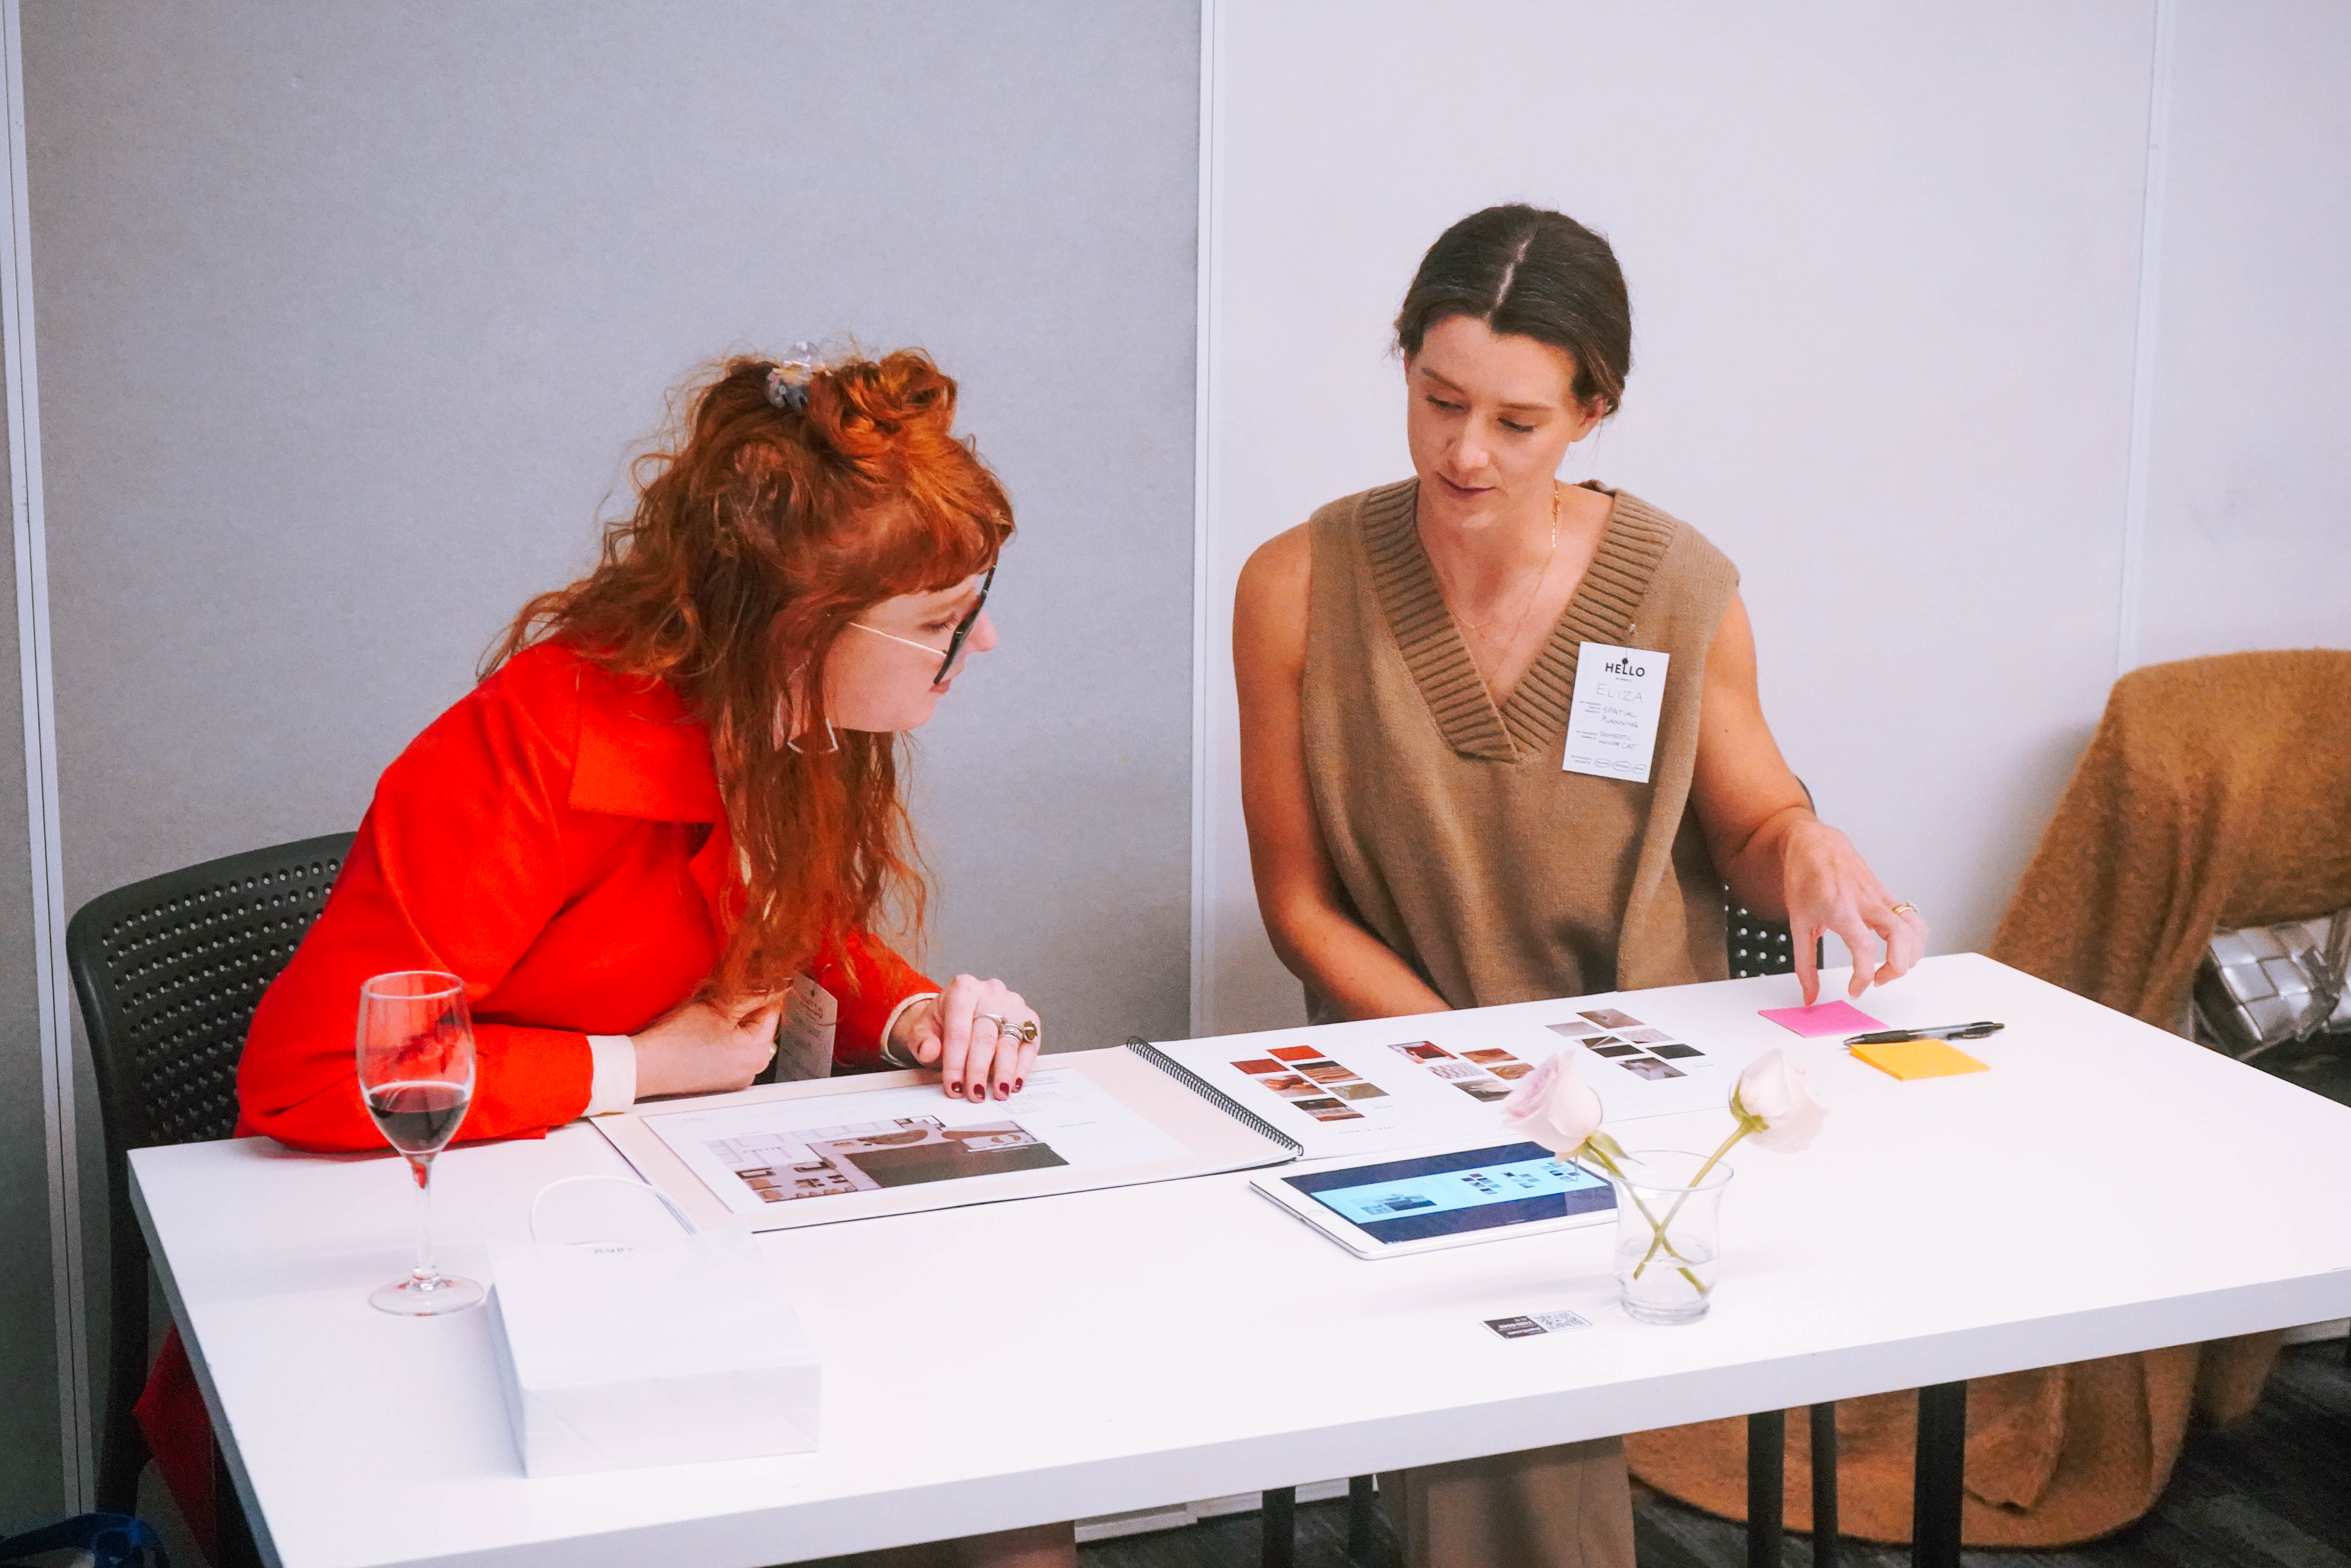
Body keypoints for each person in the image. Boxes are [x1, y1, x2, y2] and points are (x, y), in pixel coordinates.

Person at [213, 346, 1071, 1568]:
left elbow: (790, 920)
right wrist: (640, 1069)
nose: (980, 647)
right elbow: (307, 1075)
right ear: (803, 629)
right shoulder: (525, 749)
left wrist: (921, 1016)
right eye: (945, 620)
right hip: (427, 1312)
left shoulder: (779, 716)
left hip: (645, 1243)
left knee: (1011, 1499)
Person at [1233, 205, 1927, 1568]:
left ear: (1596, 409)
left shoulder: (1677, 587)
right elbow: (1299, 906)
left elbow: (1756, 819)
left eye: (1516, 422)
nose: (1463, 453)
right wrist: (1468, 1056)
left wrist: (1810, 850)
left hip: (1642, 1075)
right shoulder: (1298, 584)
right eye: (1436, 403)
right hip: (1403, 1061)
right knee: (1500, 1354)